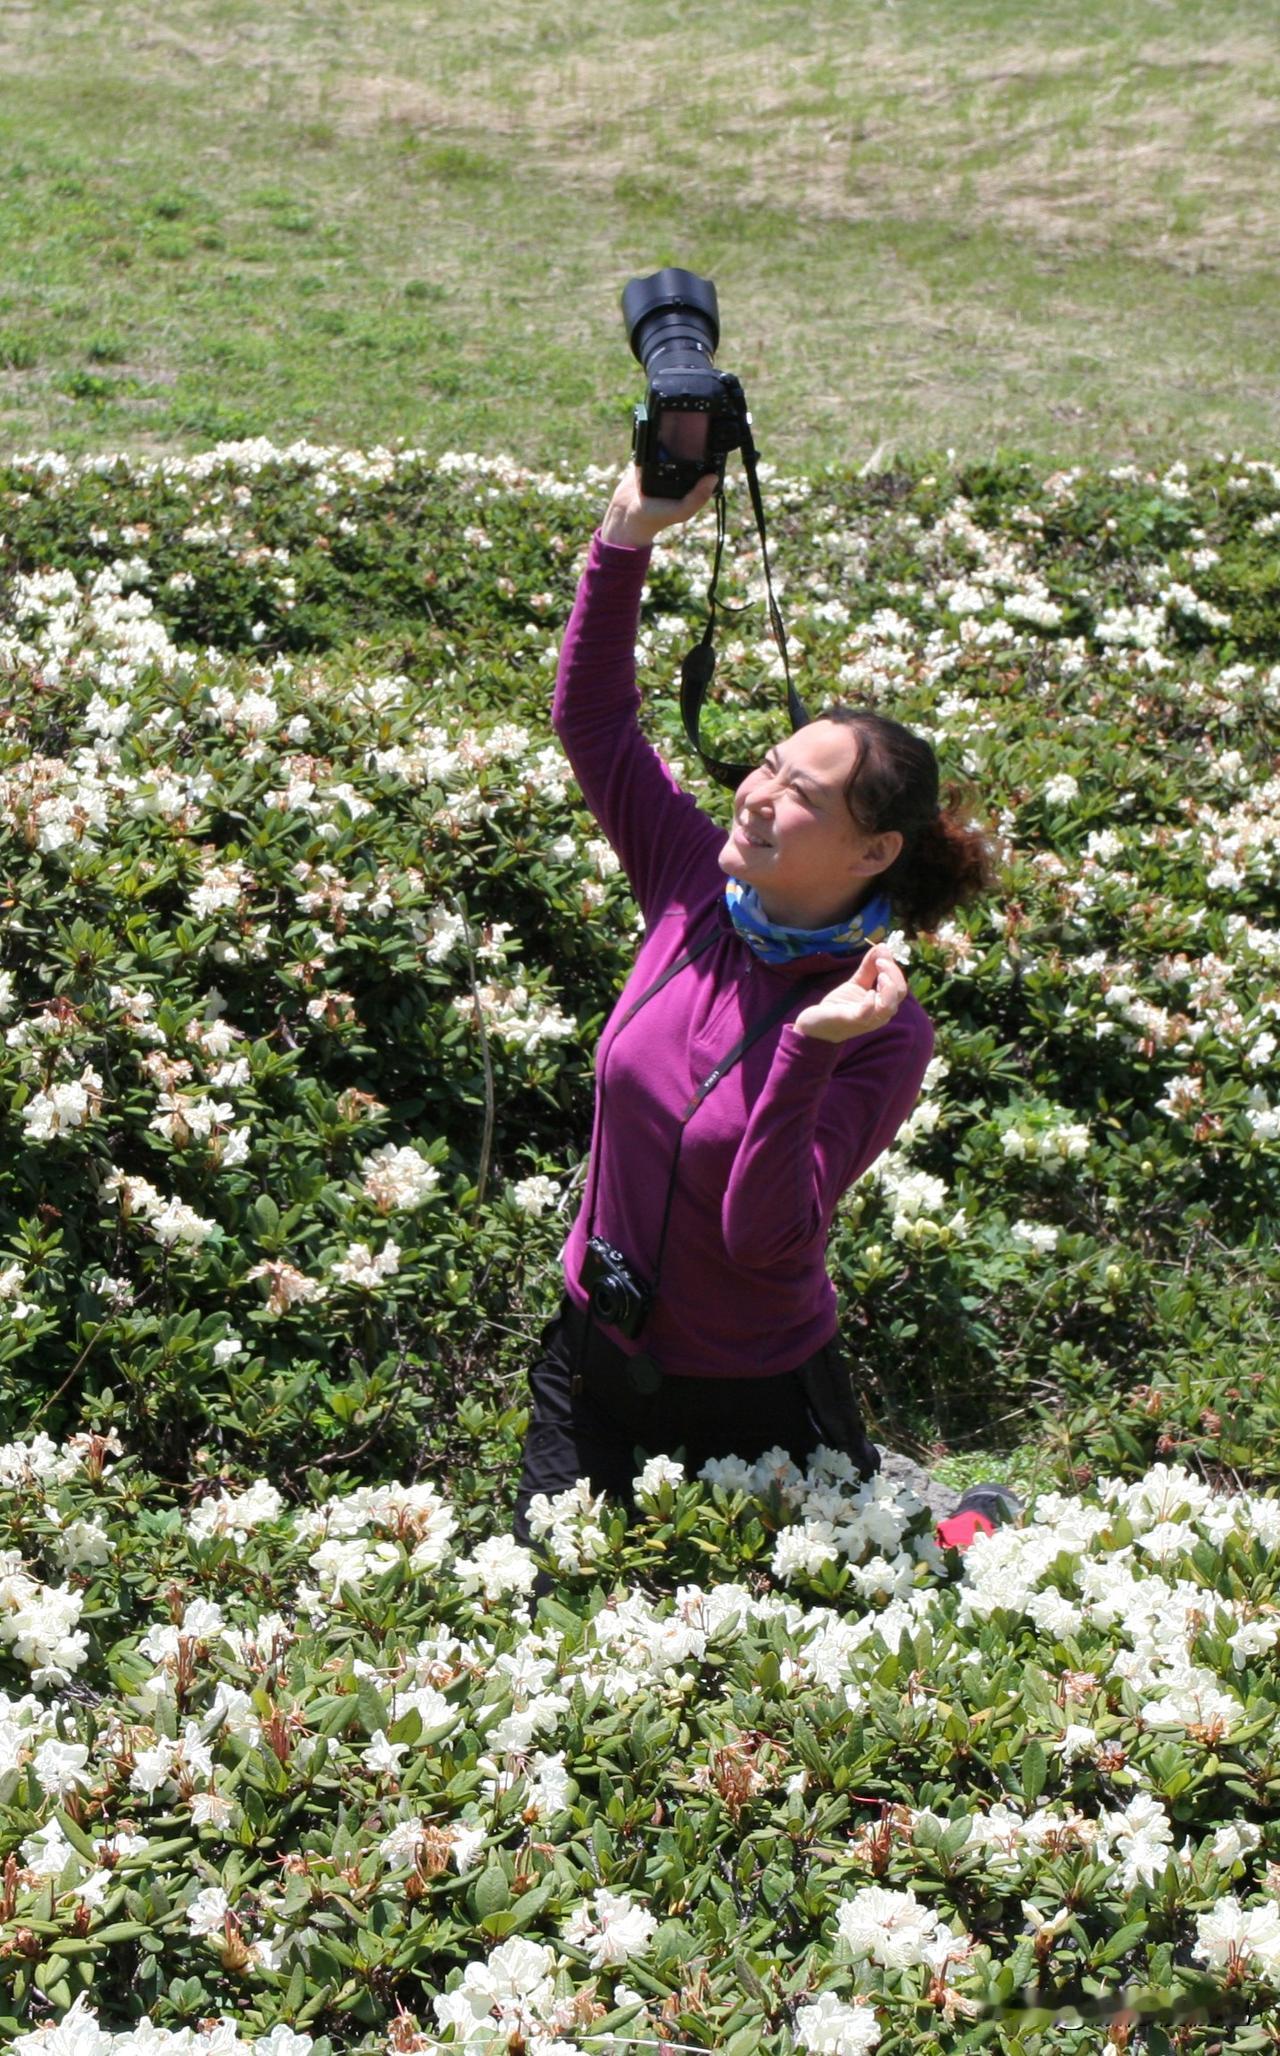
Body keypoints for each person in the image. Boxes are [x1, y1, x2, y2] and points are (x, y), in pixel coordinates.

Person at [512, 465, 994, 1543]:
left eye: (801, 796)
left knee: (889, 1605)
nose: (757, 796)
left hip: (750, 1395)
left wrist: (809, 1051)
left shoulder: (878, 1026)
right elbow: (592, 723)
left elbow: (763, 1238)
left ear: (870, 852)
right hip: (591, 1353)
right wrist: (624, 536)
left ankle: (964, 1522)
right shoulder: (693, 882)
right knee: (552, 1602)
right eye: (766, 766)